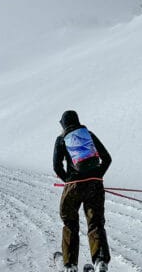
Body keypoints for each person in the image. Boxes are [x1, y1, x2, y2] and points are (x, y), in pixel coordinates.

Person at [53, 110, 112, 272]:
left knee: (70, 223)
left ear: (63, 124)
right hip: (95, 184)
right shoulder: (89, 135)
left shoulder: (61, 140)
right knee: (96, 222)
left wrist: (69, 181)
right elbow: (107, 158)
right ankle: (100, 261)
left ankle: (70, 265)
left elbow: (57, 166)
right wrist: (97, 176)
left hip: (74, 186)